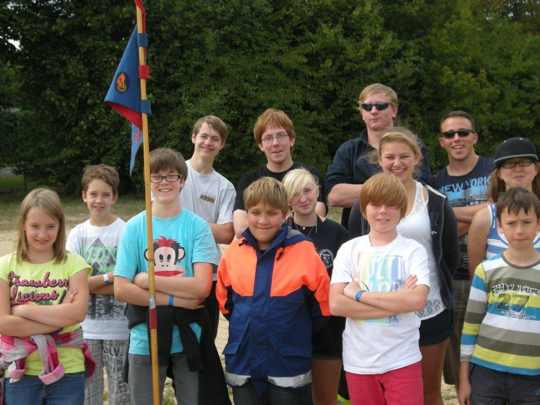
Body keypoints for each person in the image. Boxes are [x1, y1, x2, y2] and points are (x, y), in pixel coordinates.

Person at [348, 128, 459, 405]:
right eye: (390, 157)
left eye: (404, 156)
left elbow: (449, 256)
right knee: (386, 390)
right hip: (379, 312)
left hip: (429, 309)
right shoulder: (363, 204)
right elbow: (354, 252)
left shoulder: (435, 201)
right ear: (379, 160)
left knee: (428, 391)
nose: (397, 163)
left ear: (417, 158)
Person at [114, 148, 229, 405]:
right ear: (148, 181)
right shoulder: (135, 227)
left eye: (171, 176)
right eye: (156, 176)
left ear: (182, 181)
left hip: (188, 334)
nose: (164, 182)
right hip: (146, 334)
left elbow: (200, 287)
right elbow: (121, 289)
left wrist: (146, 281)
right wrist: (174, 300)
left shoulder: (197, 226)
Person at [217, 177, 330, 405]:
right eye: (255, 212)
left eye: (271, 213)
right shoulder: (234, 253)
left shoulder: (305, 252)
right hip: (244, 362)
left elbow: (322, 309)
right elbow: (226, 304)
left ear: (285, 213)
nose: (262, 220)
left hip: (287, 364)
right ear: (246, 213)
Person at [330, 173, 430, 405]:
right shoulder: (349, 249)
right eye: (375, 204)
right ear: (364, 210)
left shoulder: (413, 251)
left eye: (391, 205)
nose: (383, 211)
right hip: (359, 361)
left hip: (402, 358)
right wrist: (397, 303)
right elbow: (336, 304)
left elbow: (416, 301)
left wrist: (359, 295)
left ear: (402, 210)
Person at [0, 188, 92, 405]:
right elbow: (4, 324)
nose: (42, 234)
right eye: (35, 226)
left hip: (68, 370)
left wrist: (24, 310)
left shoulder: (75, 264)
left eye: (50, 226)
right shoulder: (5, 266)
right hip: (20, 372)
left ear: (60, 226)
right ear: (23, 224)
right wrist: (58, 319)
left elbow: (77, 313)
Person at [459, 187, 540, 405]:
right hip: (486, 372)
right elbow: (470, 327)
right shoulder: (485, 271)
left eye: (527, 222)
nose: (519, 230)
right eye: (511, 223)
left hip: (532, 376)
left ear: (538, 224)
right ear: (500, 227)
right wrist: (464, 378)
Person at [431, 111, 494, 387]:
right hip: (454, 278)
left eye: (463, 132)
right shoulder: (435, 182)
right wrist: (483, 214)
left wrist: (452, 212)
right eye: (449, 134)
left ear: (474, 137)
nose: (456, 138)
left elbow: (501, 209)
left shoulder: (493, 171)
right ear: (441, 142)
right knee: (460, 365)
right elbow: (442, 227)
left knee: (493, 353)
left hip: (493, 274)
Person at [282, 168, 349, 405]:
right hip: (290, 326)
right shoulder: (279, 234)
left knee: (324, 398)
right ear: (286, 199)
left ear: (317, 191)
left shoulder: (337, 233)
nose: (303, 198)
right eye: (295, 193)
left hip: (328, 328)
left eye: (308, 190)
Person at [66, 164, 130, 405]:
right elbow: (74, 283)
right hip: (85, 328)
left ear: (114, 196)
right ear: (84, 196)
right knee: (88, 393)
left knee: (120, 393)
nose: (99, 200)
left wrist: (90, 282)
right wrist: (108, 277)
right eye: (93, 194)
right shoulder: (78, 234)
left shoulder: (126, 231)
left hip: (120, 328)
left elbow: (126, 280)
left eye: (105, 194)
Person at [326, 83, 431, 227]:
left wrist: (362, 192)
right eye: (367, 107)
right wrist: (392, 188)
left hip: (407, 232)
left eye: (380, 106)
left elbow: (420, 192)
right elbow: (335, 196)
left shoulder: (414, 147)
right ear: (362, 113)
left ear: (394, 110)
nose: (373, 111)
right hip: (360, 236)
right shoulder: (348, 150)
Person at [180, 115, 236, 339]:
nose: (208, 142)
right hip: (172, 271)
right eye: (203, 136)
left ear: (221, 145)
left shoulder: (225, 187)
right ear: (194, 137)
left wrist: (180, 223)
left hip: (208, 276)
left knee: (204, 342)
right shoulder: (172, 175)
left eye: (215, 138)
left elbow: (225, 233)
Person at [233, 108, 326, 236]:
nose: (275, 143)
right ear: (261, 145)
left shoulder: (309, 175)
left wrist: (265, 225)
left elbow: (317, 214)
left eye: (281, 136)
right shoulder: (249, 180)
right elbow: (241, 227)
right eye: (268, 138)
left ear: (292, 140)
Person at [468, 137, 540, 274]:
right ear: (499, 173)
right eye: (509, 164)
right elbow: (477, 278)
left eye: (525, 162)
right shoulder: (484, 219)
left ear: (536, 168)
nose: (518, 168)